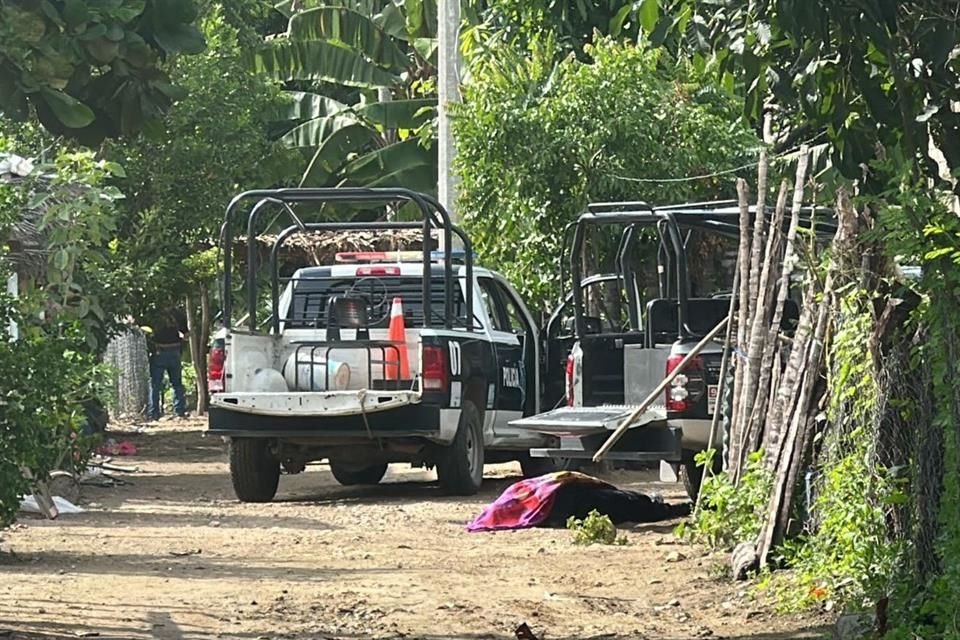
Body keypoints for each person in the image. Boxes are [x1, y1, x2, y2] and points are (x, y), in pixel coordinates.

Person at [144, 307, 189, 420]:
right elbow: (186, 334)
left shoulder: (151, 313)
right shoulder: (177, 313)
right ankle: (179, 412)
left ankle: (153, 414)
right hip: (174, 351)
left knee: (155, 384)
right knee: (177, 384)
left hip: (159, 351)